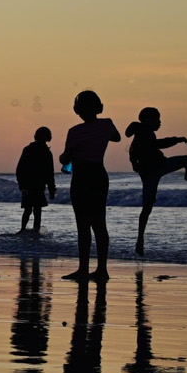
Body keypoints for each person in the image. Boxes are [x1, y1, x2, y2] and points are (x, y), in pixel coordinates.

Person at [126, 106, 187, 258]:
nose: (160, 122)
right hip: (151, 173)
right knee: (147, 207)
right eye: (157, 119)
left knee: (147, 208)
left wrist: (133, 163)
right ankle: (140, 240)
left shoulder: (144, 132)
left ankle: (140, 240)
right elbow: (134, 145)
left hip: (160, 166)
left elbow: (138, 147)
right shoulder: (143, 131)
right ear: (148, 119)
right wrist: (177, 139)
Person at [60, 89, 121, 281]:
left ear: (77, 110)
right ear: (99, 107)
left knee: (83, 225)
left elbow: (65, 158)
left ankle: (83, 269)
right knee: (100, 224)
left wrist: (66, 155)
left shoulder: (74, 132)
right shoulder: (107, 124)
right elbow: (117, 137)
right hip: (99, 175)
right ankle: (102, 269)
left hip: (82, 177)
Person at [16, 127, 57, 236]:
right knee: (37, 210)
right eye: (50, 134)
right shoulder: (47, 153)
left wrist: (21, 185)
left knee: (27, 209)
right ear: (46, 137)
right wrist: (52, 189)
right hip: (38, 186)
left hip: (27, 185)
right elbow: (50, 174)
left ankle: (22, 230)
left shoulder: (27, 149)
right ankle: (35, 231)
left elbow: (19, 169)